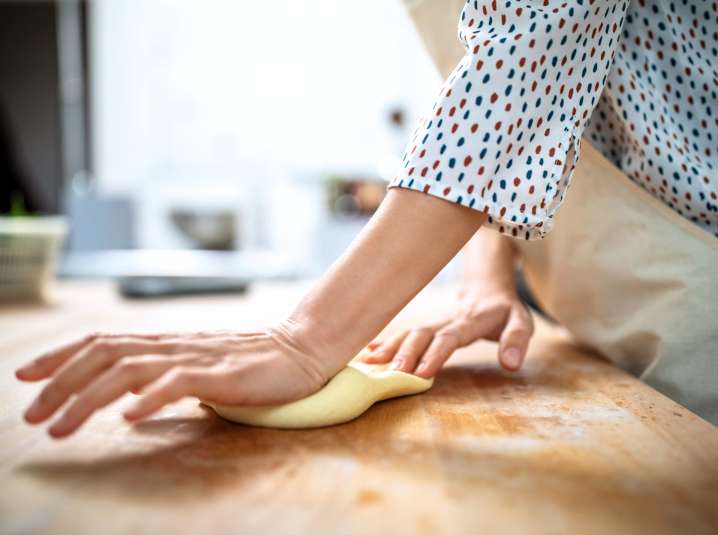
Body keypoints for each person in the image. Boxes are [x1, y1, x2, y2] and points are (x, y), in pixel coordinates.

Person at [16, 0, 718, 436]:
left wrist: (302, 342)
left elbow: (528, 54)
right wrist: (488, 275)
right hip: (597, 317)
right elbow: (531, 108)